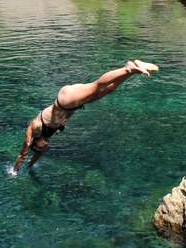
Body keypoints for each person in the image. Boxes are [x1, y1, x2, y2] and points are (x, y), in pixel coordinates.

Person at [10, 60, 159, 174]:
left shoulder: (36, 128)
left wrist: (15, 171)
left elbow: (23, 153)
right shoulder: (45, 140)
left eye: (41, 147)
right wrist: (30, 167)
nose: (46, 147)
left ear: (35, 144)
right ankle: (131, 72)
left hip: (65, 100)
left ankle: (127, 67)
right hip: (74, 104)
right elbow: (36, 156)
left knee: (96, 86)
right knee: (108, 90)